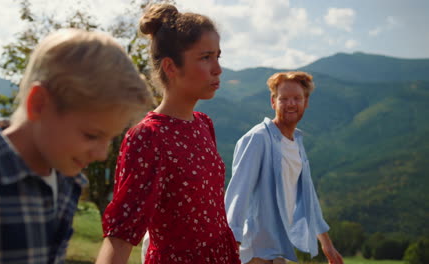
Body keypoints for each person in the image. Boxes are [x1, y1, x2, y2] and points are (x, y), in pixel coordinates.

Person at [0, 28, 152, 264]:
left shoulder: (66, 182)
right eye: (92, 135)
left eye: (110, 139)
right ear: (39, 103)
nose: (102, 154)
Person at [96, 4, 240, 264]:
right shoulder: (149, 136)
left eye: (218, 56)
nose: (217, 68)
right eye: (206, 57)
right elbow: (121, 235)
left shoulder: (203, 124)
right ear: (171, 67)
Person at [224, 71, 344, 264]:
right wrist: (230, 248)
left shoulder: (297, 141)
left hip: (280, 247)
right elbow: (238, 194)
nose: (291, 104)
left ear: (306, 102)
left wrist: (327, 245)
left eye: (297, 98)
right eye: (284, 98)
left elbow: (309, 197)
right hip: (254, 252)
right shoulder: (258, 138)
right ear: (273, 102)